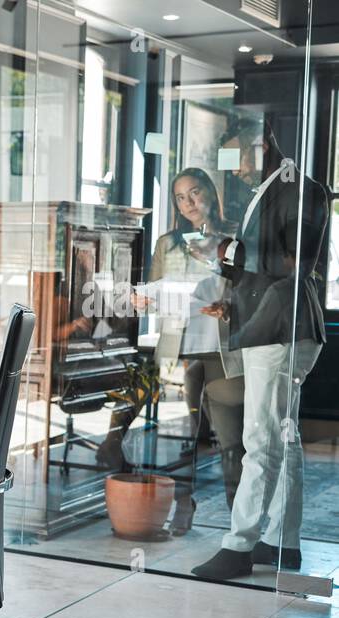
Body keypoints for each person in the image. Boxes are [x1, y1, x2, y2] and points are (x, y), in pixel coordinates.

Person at [191, 117, 329, 580]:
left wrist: (226, 251)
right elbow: (266, 267)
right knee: (281, 441)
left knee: (261, 440)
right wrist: (228, 281)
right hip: (269, 328)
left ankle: (239, 545)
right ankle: (280, 542)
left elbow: (295, 264)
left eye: (239, 155)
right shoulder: (269, 190)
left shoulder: (302, 189)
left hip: (282, 331)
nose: (234, 168)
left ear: (265, 143)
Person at [128, 167, 245, 531]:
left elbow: (250, 292)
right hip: (179, 349)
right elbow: (154, 290)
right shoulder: (167, 243)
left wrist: (230, 307)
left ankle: (241, 523)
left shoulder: (235, 237)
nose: (190, 203)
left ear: (210, 192)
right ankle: (183, 503)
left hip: (222, 349)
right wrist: (143, 301)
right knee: (184, 435)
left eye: (195, 193)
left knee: (230, 439)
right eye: (181, 197)